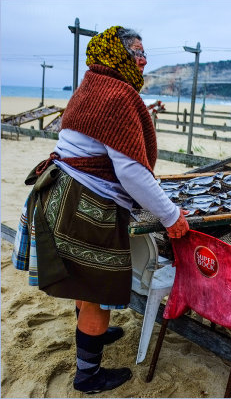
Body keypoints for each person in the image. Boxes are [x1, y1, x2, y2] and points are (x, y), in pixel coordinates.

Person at [12, 25, 189, 394]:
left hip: (61, 192)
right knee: (96, 287)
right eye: (136, 53)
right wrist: (171, 216)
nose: (143, 60)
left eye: (143, 53)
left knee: (84, 278)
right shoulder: (117, 95)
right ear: (117, 55)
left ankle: (94, 333)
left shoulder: (91, 85)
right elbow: (131, 172)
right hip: (84, 204)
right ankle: (88, 375)